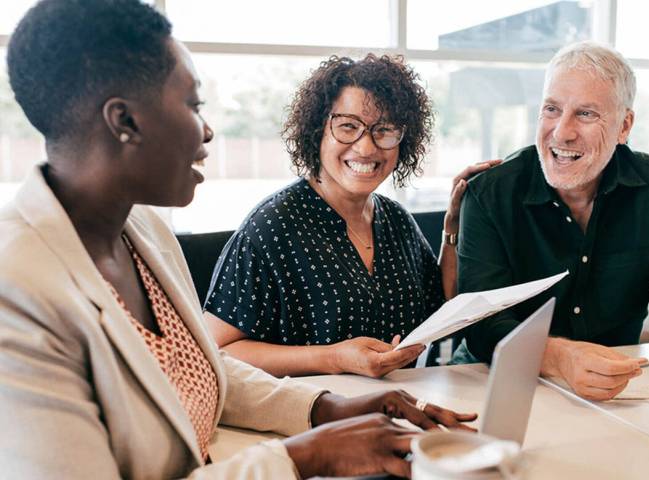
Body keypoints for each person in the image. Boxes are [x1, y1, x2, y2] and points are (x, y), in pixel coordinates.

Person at [0, 1, 477, 478]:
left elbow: (202, 365)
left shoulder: (142, 230)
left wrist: (329, 409)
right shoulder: (16, 293)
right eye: (193, 105)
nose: (207, 131)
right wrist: (306, 454)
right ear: (125, 121)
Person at [456, 41, 649, 404]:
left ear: (624, 125)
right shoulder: (489, 193)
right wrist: (560, 357)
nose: (561, 132)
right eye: (552, 109)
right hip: (493, 382)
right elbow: (482, 323)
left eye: (585, 114)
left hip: (614, 391)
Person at [203, 54, 499, 377]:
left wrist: (453, 227)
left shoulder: (396, 221)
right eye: (348, 126)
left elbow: (442, 305)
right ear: (318, 131)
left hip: (398, 410)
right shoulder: (271, 228)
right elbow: (218, 351)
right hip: (308, 418)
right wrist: (334, 358)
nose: (367, 148)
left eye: (384, 130)